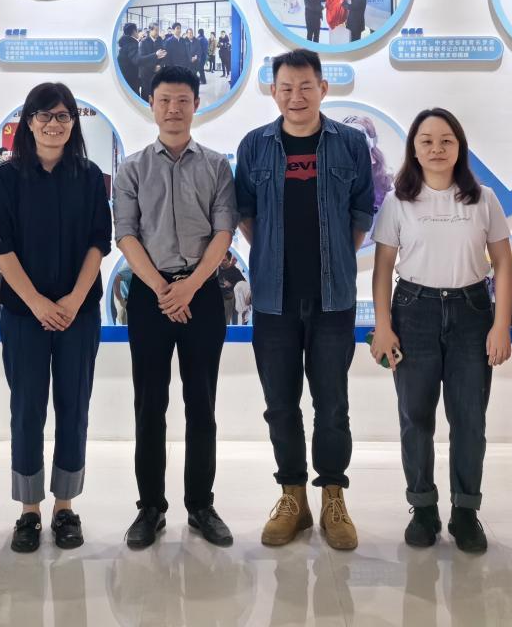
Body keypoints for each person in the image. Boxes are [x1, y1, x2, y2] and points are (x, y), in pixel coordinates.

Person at [234, 48, 375, 551]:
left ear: (323, 89)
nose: (296, 96)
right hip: (273, 300)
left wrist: (332, 259)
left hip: (333, 300)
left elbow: (362, 214)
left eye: (305, 87)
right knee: (280, 404)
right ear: (274, 92)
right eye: (286, 88)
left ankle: (333, 495)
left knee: (332, 404)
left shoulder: (350, 144)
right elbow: (246, 215)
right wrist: (276, 259)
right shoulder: (254, 146)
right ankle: (293, 497)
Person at [368, 108, 512, 554]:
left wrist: (501, 325)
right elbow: (383, 268)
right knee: (415, 417)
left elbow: (503, 263)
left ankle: (465, 512)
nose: (436, 148)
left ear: (459, 147)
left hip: (472, 312)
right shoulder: (398, 201)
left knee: (469, 419)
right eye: (426, 141)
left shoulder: (483, 198)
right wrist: (383, 326)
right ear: (413, 149)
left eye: (446, 140)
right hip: (414, 311)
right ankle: (423, 508)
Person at [0, 82, 112, 553]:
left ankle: (65, 506)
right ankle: (29, 509)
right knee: (27, 409)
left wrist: (74, 300)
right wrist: (37, 302)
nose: (53, 124)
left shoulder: (90, 175)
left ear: (73, 122)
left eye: (62, 116)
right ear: (29, 121)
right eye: (44, 115)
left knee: (74, 407)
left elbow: (99, 241)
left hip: (79, 314)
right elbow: (1, 246)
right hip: (24, 314)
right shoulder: (7, 177)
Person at [114, 65, 238, 550]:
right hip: (150, 295)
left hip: (202, 294)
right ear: (151, 104)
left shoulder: (217, 166)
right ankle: (150, 507)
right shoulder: (132, 169)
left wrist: (189, 288)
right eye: (164, 100)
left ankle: (201, 505)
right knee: (150, 405)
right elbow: (126, 234)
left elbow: (223, 232)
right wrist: (164, 290)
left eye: (183, 100)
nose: (173, 109)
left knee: (201, 404)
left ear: (196, 104)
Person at [138, 23, 168, 101]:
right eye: (156, 30)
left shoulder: (160, 40)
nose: (157, 32)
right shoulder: (144, 42)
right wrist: (153, 66)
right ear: (150, 30)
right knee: (146, 95)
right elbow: (142, 59)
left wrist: (160, 65)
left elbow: (164, 55)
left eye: (158, 30)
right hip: (146, 74)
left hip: (157, 73)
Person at [216, 251, 244, 325]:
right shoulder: (217, 269)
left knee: (231, 320)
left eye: (224, 260)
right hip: (218, 299)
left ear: (229, 260)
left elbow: (243, 285)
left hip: (231, 299)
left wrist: (231, 285)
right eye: (221, 260)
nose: (222, 262)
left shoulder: (235, 271)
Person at [117, 22, 141, 93]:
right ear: (134, 31)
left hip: (124, 75)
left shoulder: (124, 43)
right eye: (137, 31)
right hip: (131, 77)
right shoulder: (132, 44)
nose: (138, 33)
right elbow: (136, 60)